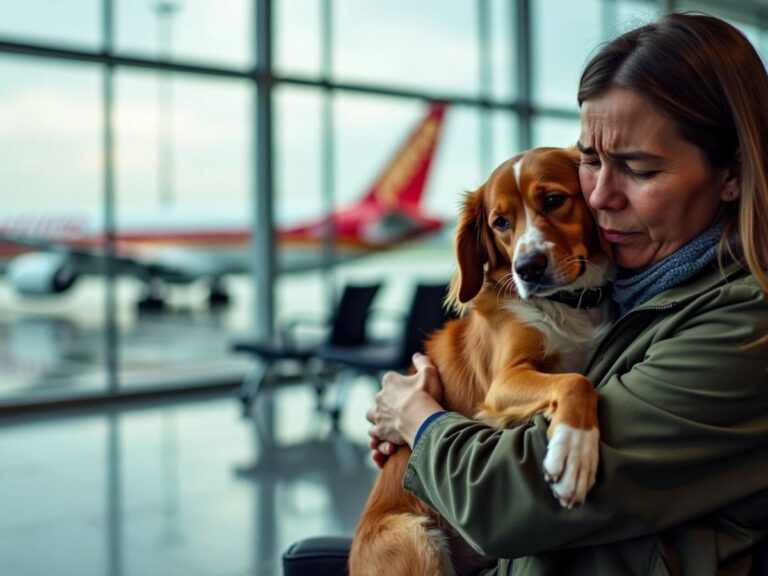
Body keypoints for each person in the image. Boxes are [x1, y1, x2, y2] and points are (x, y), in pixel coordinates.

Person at [366, 12, 768, 576]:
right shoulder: (624, 291)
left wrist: (420, 422)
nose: (600, 196)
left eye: (638, 169)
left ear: (733, 174)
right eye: (590, 161)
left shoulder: (743, 325)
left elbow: (512, 499)